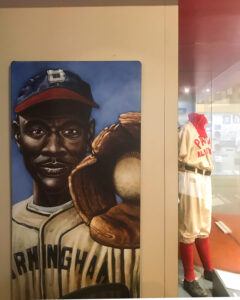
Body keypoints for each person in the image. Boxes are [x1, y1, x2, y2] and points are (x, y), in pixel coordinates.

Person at [12, 69, 140, 299]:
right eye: (37, 130)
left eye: (71, 131)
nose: (53, 147)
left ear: (89, 134)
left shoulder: (123, 230)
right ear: (17, 135)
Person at [178, 112, 214, 297]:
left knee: (203, 227)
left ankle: (208, 269)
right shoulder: (186, 129)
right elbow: (177, 157)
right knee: (189, 226)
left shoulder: (204, 131)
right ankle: (189, 279)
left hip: (205, 179)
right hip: (190, 178)